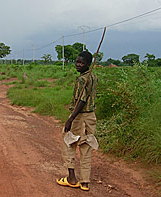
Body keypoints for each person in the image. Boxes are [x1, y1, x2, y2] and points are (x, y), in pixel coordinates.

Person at [56, 51, 98, 191]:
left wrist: (71, 119)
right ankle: (85, 182)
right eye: (77, 61)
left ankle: (72, 178)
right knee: (86, 147)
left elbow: (82, 100)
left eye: (81, 62)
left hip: (80, 117)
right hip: (91, 117)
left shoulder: (81, 80)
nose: (78, 65)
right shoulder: (93, 76)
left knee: (69, 142)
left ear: (88, 64)